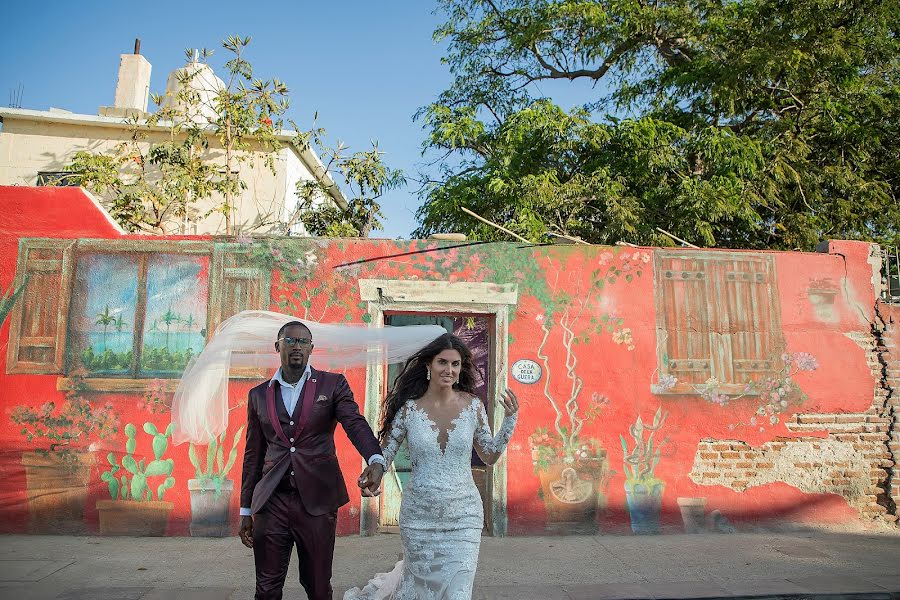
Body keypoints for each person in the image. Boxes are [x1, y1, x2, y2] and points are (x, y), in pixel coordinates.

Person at [347, 333, 519, 600]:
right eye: (442, 362)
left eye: (455, 364)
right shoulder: (408, 411)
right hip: (419, 518)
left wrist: (509, 419)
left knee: (458, 593)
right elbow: (386, 454)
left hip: (464, 516)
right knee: (421, 592)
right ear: (428, 365)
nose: (449, 370)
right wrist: (374, 474)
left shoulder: (473, 407)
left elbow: (490, 455)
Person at [239, 321, 387, 600]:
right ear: (277, 346)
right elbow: (253, 455)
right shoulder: (258, 395)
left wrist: (375, 459)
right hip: (272, 501)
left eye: (303, 342)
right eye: (290, 340)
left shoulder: (332, 384)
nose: (297, 346)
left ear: (311, 349)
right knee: (266, 587)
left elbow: (354, 423)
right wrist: (246, 510)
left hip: (317, 502)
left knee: (317, 585)